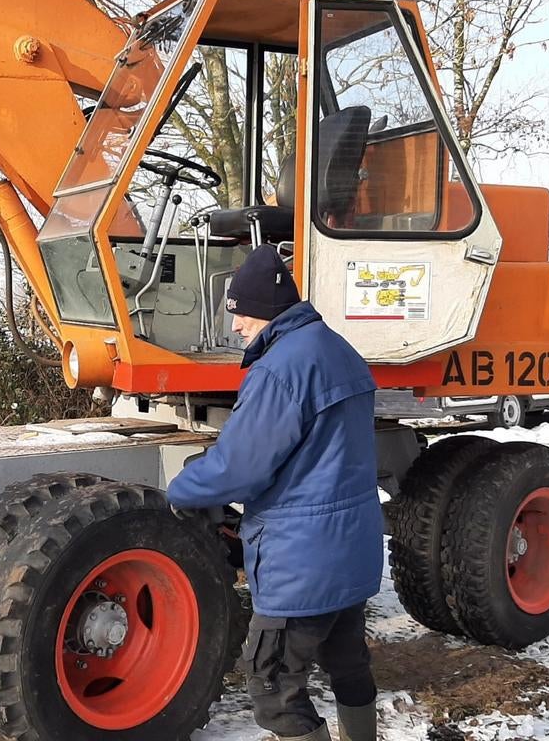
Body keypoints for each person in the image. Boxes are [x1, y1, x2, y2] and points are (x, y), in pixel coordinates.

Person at [167, 244, 382, 741]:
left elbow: (240, 468)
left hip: (301, 561)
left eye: (240, 314)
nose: (238, 326)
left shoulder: (281, 368)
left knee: (271, 683)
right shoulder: (337, 349)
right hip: (349, 548)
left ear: (265, 310)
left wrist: (179, 490)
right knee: (348, 663)